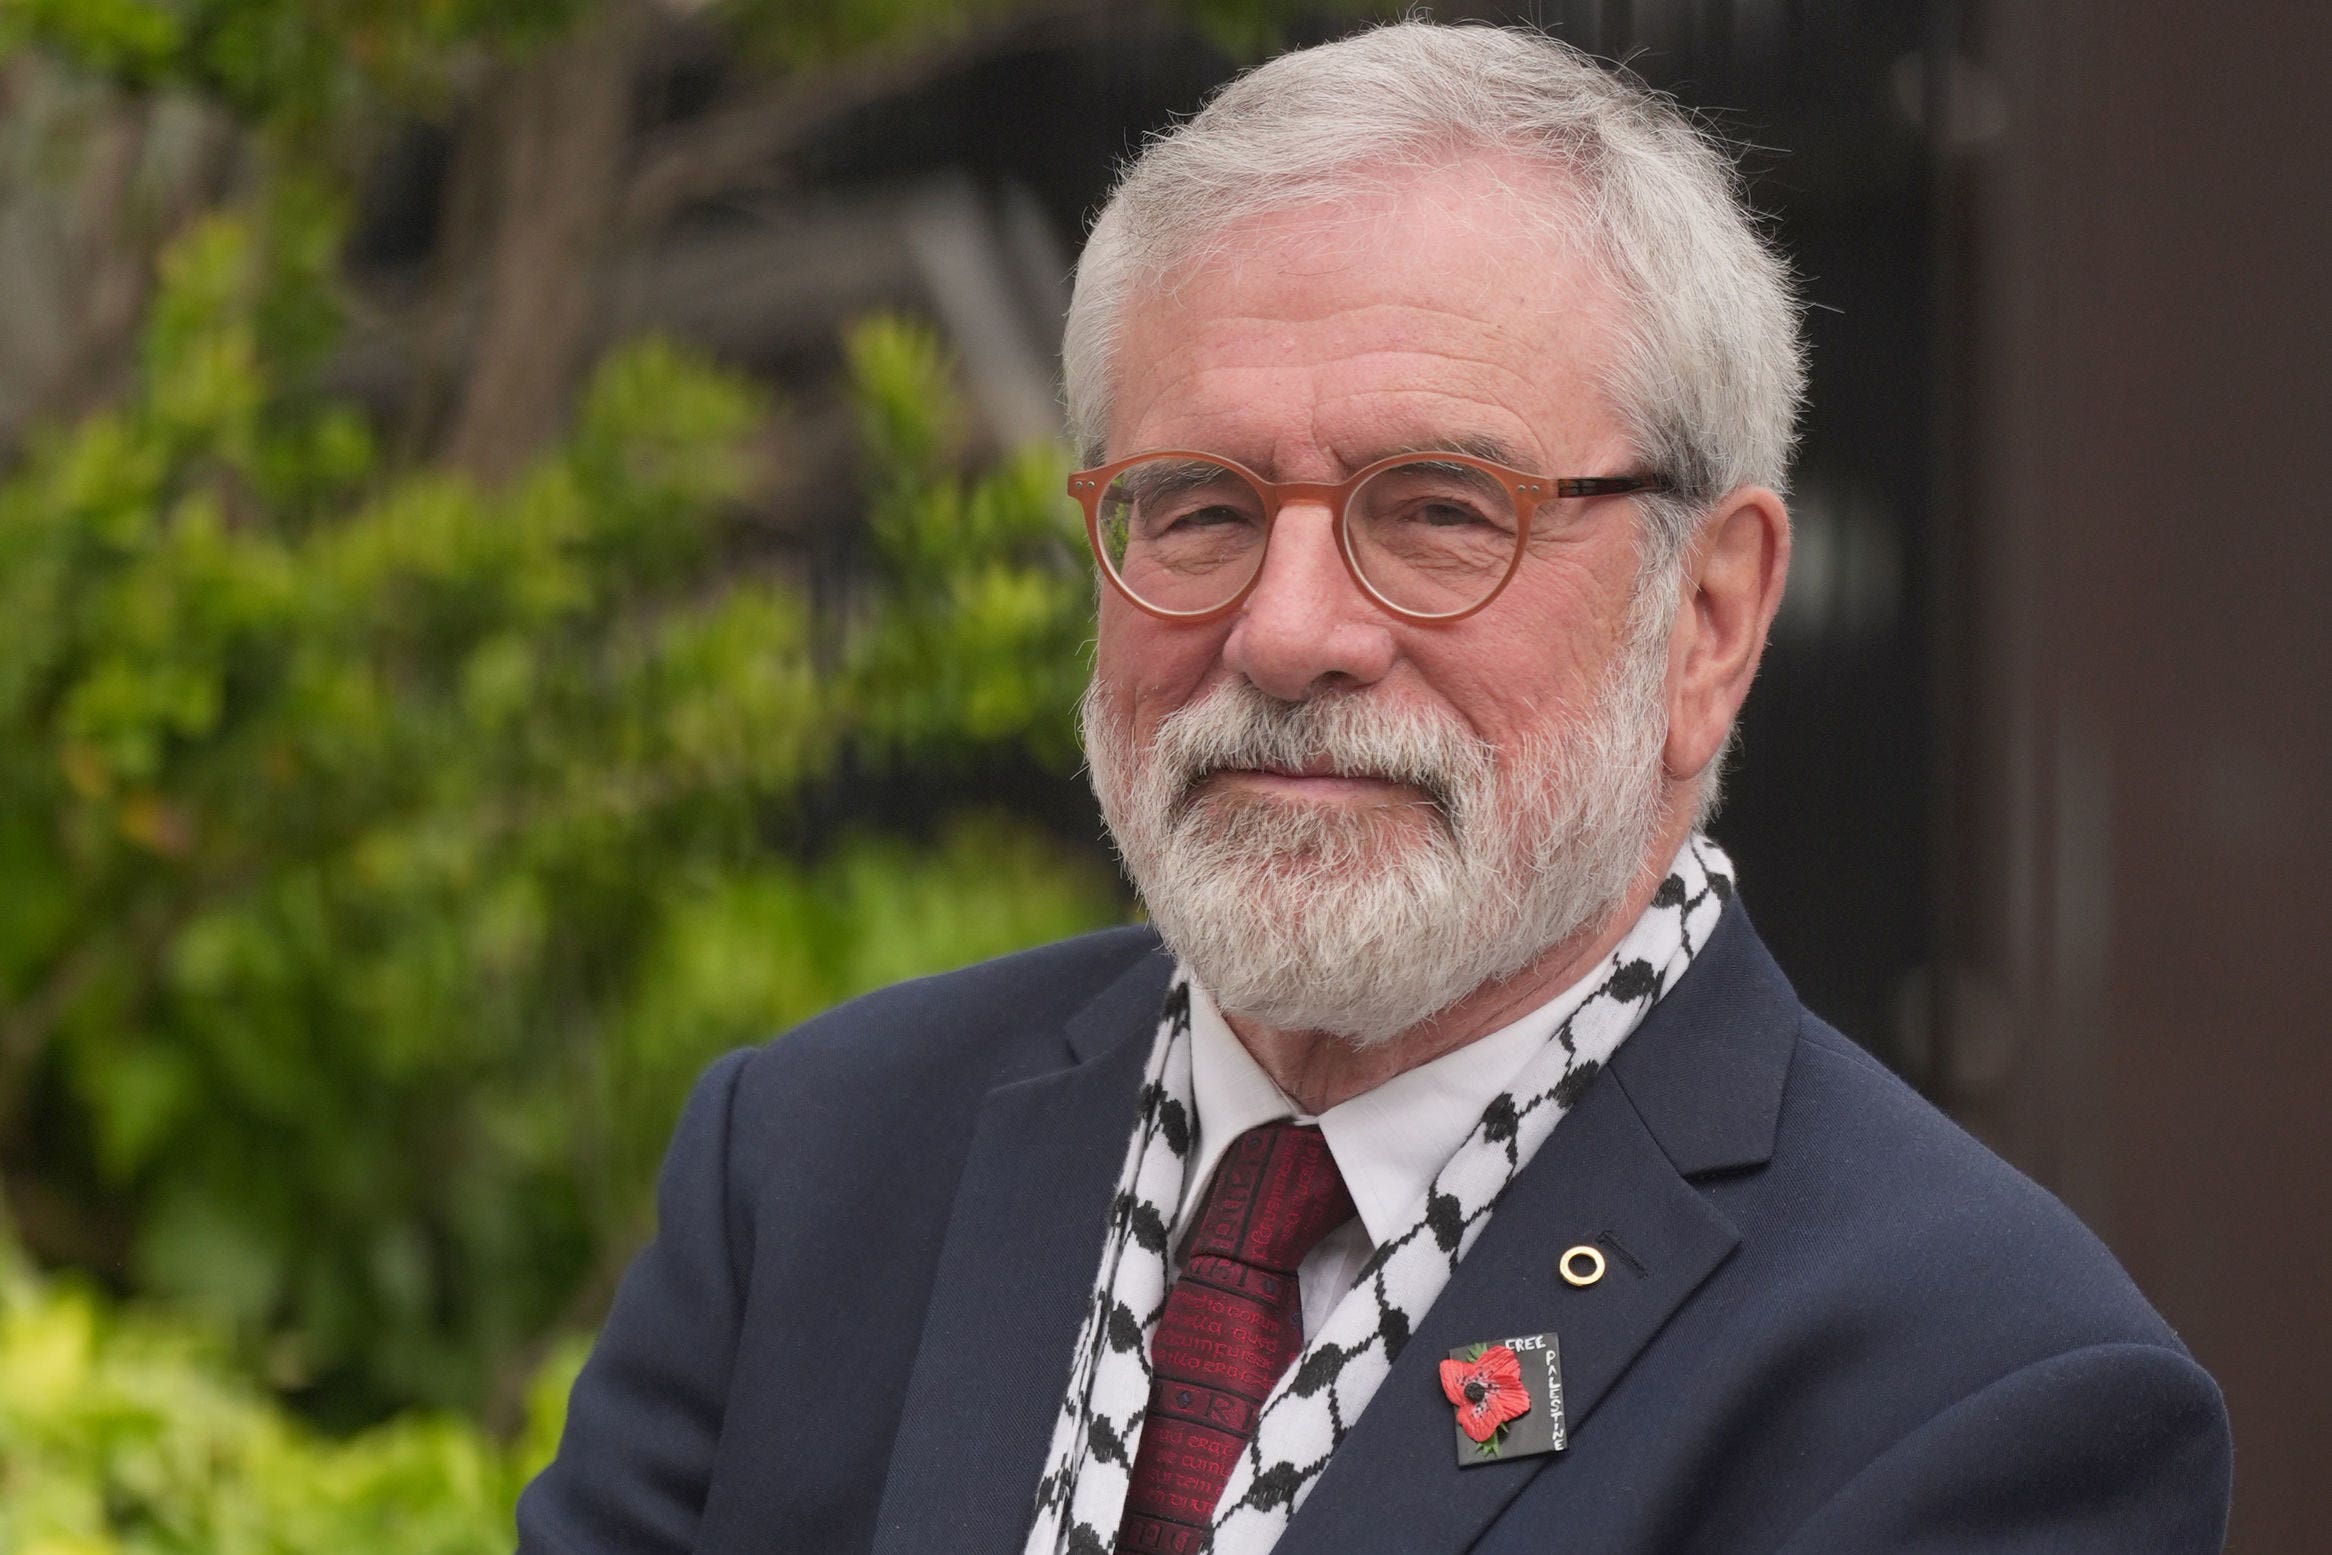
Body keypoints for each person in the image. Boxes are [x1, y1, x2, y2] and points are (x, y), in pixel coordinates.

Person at [516, 23, 2231, 1555]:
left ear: (1707, 618)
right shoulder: (814, 1169)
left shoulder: (1974, 1390)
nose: (1285, 632)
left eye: (1436, 511)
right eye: (1196, 507)